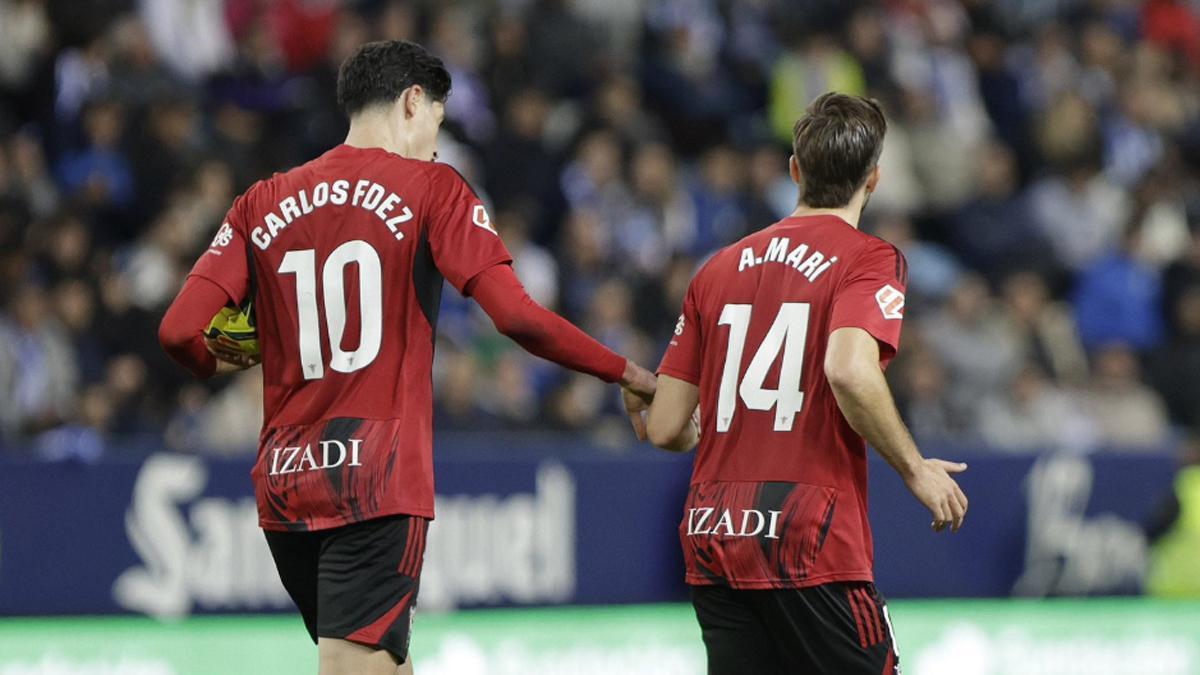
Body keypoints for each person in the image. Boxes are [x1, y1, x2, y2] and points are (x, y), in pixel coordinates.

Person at [157, 40, 656, 675]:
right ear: (413, 102)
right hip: (375, 478)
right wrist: (629, 371)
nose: (437, 146)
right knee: (355, 665)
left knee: (385, 661)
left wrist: (233, 356)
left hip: (285, 484)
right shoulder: (432, 189)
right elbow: (517, 316)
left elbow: (179, 331)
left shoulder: (263, 200)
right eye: (439, 126)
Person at [630, 93, 969, 674]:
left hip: (715, 530)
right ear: (875, 179)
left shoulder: (717, 267)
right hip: (809, 535)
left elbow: (664, 428)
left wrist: (636, 394)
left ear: (795, 171)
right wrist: (914, 467)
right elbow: (848, 368)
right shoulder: (869, 259)